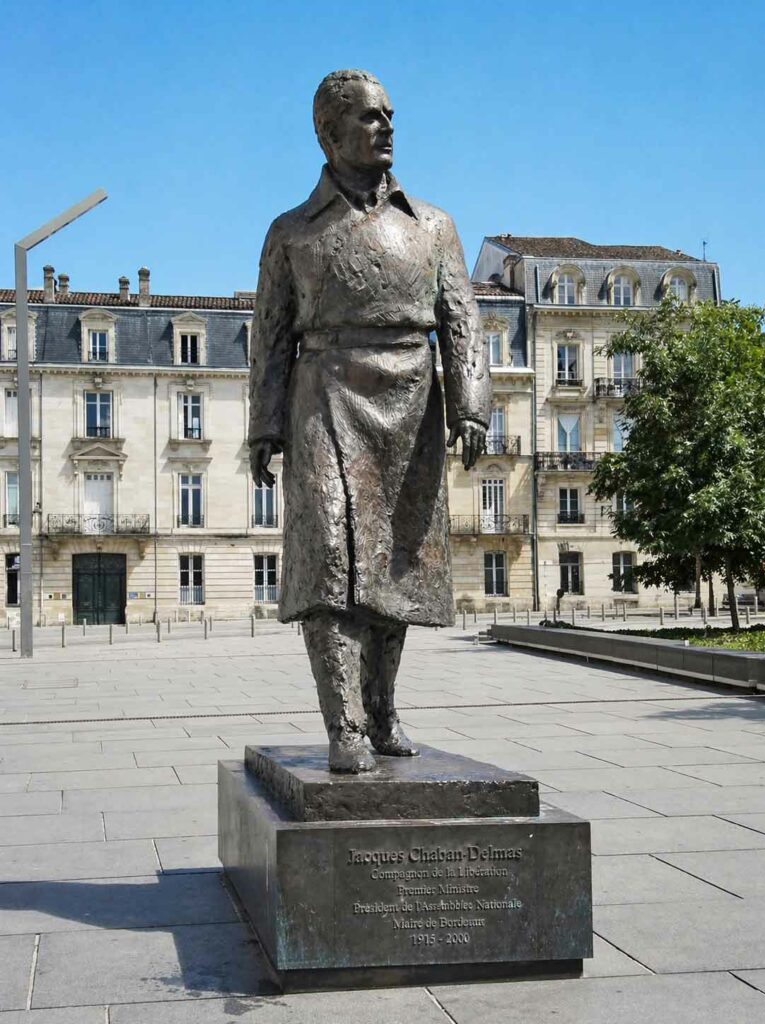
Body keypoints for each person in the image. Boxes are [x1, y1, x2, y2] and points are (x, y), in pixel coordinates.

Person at [249, 69, 491, 772]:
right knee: (328, 558)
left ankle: (382, 711)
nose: (386, 126)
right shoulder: (291, 232)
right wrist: (265, 424)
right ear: (328, 133)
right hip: (324, 391)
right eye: (369, 116)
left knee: (395, 564)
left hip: (411, 402)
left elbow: (462, 320)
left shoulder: (434, 226)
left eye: (389, 114)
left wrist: (470, 405)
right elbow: (271, 333)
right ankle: (344, 723)